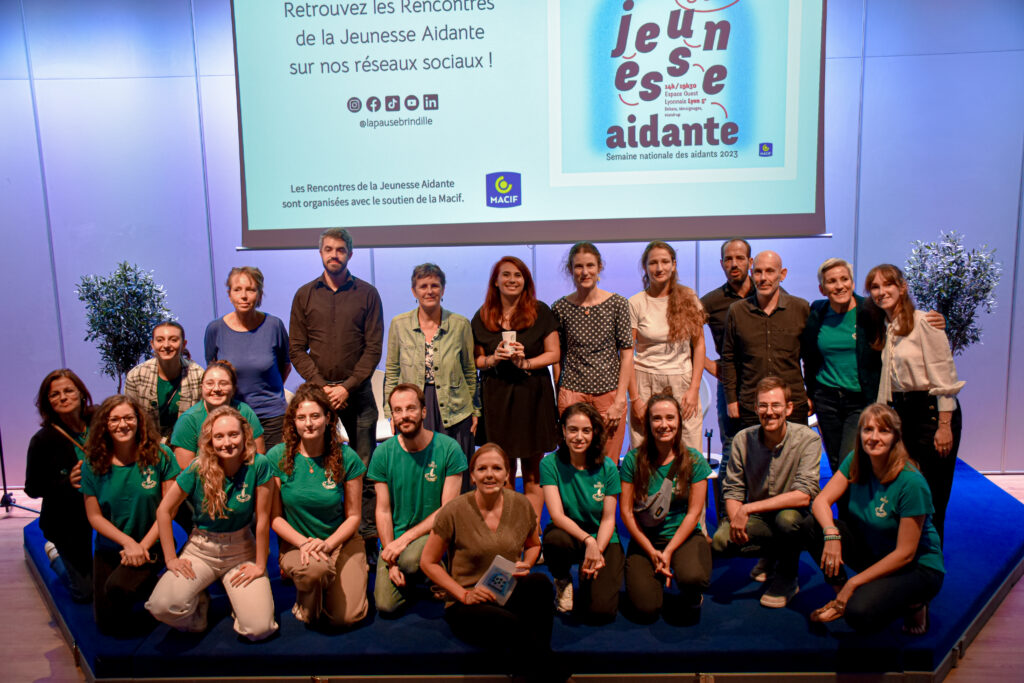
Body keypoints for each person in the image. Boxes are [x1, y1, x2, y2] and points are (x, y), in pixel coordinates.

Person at [803, 259, 945, 488]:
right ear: (822, 288)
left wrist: (935, 320)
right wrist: (810, 392)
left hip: (860, 400)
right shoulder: (817, 311)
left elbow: (901, 315)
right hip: (826, 400)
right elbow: (809, 356)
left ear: (852, 282)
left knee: (852, 461)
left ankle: (858, 519)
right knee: (837, 460)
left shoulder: (870, 310)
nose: (839, 286)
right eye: (831, 281)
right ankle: (844, 521)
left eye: (844, 279)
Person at [804, 404, 944, 634]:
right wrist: (831, 533)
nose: (874, 437)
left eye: (883, 431)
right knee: (811, 525)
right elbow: (820, 502)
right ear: (859, 434)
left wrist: (854, 582)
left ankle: (915, 604)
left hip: (916, 568)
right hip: (876, 550)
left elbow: (905, 554)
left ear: (896, 437)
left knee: (859, 614)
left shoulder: (912, 483)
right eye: (868, 430)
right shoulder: (856, 460)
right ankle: (841, 599)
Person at [146, 406, 278, 641]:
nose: (227, 442)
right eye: (219, 436)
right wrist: (170, 559)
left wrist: (259, 565)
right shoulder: (198, 467)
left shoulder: (259, 464)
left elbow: (263, 519)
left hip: (241, 549)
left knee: (259, 629)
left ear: (245, 435)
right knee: (161, 607)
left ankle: (241, 605)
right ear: (210, 440)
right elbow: (164, 511)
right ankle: (199, 608)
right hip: (201, 549)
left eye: (233, 434)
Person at [290, 227, 384, 555]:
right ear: (320, 253)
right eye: (328, 249)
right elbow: (297, 349)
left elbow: (373, 348)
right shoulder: (304, 295)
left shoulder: (367, 294)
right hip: (317, 398)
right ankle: (323, 534)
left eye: (340, 250)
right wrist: (322, 388)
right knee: (317, 466)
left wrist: (346, 387)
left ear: (350, 254)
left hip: (356, 394)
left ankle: (366, 537)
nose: (334, 255)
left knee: (364, 468)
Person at [419, 443, 553, 660]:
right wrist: (463, 594)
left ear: (507, 474)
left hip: (506, 590)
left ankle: (535, 659)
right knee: (511, 625)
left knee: (541, 585)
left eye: (497, 469)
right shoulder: (453, 510)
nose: (489, 475)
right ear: (472, 476)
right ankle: (547, 665)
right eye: (482, 469)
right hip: (468, 600)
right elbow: (428, 562)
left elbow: (534, 545)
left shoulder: (521, 505)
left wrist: (527, 563)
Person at [866, 264, 964, 541]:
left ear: (902, 287)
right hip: (903, 415)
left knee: (934, 493)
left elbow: (945, 376)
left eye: (888, 285)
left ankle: (931, 562)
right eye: (875, 287)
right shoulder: (886, 327)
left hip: (932, 413)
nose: (881, 291)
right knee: (909, 490)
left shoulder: (925, 322)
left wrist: (944, 426)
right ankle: (909, 556)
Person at [712, 376, 821, 608]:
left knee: (787, 520)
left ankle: (787, 576)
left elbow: (804, 494)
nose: (769, 412)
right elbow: (732, 489)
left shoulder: (808, 439)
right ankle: (771, 554)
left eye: (776, 405)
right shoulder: (743, 439)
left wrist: (748, 508)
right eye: (763, 405)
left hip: (795, 515)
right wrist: (735, 520)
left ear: (789, 408)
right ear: (756, 408)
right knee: (721, 541)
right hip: (761, 517)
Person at [268, 383, 368, 627]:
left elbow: (354, 516)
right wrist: (304, 543)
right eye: (301, 417)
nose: (309, 423)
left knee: (347, 617)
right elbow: (275, 518)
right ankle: (310, 588)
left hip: (339, 540)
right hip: (297, 543)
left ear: (328, 418)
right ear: (293, 422)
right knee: (314, 573)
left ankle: (328, 580)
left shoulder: (347, 457)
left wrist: (328, 545)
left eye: (315, 416)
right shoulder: (277, 457)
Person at [80, 395, 180, 635]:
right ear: (104, 424)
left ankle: (161, 589)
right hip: (111, 546)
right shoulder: (92, 463)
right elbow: (94, 517)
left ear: (139, 421)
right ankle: (149, 588)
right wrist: (127, 543)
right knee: (108, 626)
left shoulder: (161, 455)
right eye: (114, 419)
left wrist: (142, 547)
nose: (122, 424)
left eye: (128, 418)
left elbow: (169, 510)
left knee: (118, 587)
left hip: (152, 543)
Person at [472, 256, 560, 523]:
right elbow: (477, 360)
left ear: (526, 281)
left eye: (518, 275)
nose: (512, 280)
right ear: (495, 281)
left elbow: (554, 353)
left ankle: (532, 534)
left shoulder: (540, 311)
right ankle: (510, 533)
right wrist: (493, 359)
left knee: (533, 472)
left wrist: (526, 362)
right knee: (503, 471)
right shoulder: (483, 315)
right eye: (506, 275)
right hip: (497, 399)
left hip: (532, 395)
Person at [368, 384, 467, 615]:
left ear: (423, 411)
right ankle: (423, 575)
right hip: (397, 541)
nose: (404, 416)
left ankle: (433, 567)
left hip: (436, 533)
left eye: (411, 408)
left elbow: (447, 510)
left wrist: (406, 541)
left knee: (411, 560)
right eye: (398, 410)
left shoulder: (449, 449)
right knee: (385, 606)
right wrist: (391, 559)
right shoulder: (382, 454)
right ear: (392, 415)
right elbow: (382, 511)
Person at [620, 392, 712, 622]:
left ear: (679, 421)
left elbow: (694, 513)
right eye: (657, 418)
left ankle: (689, 588)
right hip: (646, 541)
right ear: (648, 423)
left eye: (670, 418)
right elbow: (626, 512)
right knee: (646, 610)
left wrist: (669, 550)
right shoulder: (632, 460)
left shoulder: (694, 460)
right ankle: (656, 572)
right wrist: (651, 551)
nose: (664, 425)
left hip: (684, 537)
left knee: (693, 578)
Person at [383, 263, 478, 461]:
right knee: (420, 469)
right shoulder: (399, 324)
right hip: (413, 404)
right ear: (414, 291)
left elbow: (470, 370)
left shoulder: (460, 324)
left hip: (456, 408)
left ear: (442, 289)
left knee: (455, 468)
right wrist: (391, 412)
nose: (429, 291)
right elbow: (392, 371)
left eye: (434, 286)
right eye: (423, 286)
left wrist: (475, 411)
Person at [540, 403, 624, 622]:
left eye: (586, 430)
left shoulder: (608, 467)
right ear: (563, 432)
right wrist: (589, 541)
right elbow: (557, 516)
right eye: (573, 430)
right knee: (554, 540)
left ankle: (590, 571)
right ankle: (562, 579)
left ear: (594, 433)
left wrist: (598, 550)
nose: (579, 437)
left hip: (603, 538)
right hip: (568, 534)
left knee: (601, 612)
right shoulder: (550, 463)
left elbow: (608, 519)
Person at [552, 242, 633, 462]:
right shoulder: (560, 307)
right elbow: (557, 354)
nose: (584, 272)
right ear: (570, 270)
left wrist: (620, 400)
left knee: (607, 461)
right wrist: (559, 389)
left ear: (599, 268)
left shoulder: (617, 304)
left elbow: (627, 355)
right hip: (572, 392)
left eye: (590, 265)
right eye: (579, 266)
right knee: (574, 461)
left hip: (609, 394)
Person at [25, 369, 96, 602]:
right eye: (54, 394)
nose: (63, 397)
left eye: (68, 391)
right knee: (86, 593)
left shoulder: (98, 421)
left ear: (81, 393)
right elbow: (33, 489)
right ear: (47, 402)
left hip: (107, 509)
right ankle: (56, 556)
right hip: (67, 520)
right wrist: (68, 483)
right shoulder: (42, 440)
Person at [628, 240, 707, 452]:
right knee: (644, 449)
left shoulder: (688, 297)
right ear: (645, 267)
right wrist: (635, 399)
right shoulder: (636, 302)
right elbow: (626, 353)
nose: (659, 268)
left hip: (682, 380)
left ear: (673, 264)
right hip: (644, 380)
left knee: (689, 447)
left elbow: (699, 346)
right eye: (653, 263)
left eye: (665, 262)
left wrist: (694, 389)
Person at [721, 250, 811, 428]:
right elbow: (729, 358)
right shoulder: (737, 311)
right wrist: (731, 400)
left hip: (793, 403)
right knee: (753, 455)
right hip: (751, 404)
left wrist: (812, 395)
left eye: (770, 271)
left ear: (782, 274)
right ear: (751, 274)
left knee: (795, 455)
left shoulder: (801, 308)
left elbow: (811, 358)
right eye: (758, 272)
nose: (763, 278)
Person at [205, 266, 290, 449]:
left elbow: (285, 365)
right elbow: (214, 373)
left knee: (272, 473)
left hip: (272, 417)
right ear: (230, 295)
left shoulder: (274, 325)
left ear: (259, 294)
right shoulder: (215, 329)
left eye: (250, 290)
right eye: (237, 290)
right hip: (231, 417)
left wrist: (267, 392)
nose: (244, 296)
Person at [700, 239, 753, 519]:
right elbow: (688, 335)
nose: (734, 263)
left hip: (765, 387)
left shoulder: (767, 292)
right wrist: (711, 366)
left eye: (740, 258)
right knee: (731, 450)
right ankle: (726, 520)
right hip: (730, 386)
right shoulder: (711, 301)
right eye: (728, 259)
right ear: (722, 264)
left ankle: (757, 517)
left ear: (750, 262)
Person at [170, 360, 265, 469]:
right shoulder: (188, 420)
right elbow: (186, 471)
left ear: (233, 389)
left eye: (223, 383)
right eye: (209, 383)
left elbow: (259, 457)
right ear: (201, 387)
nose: (216, 389)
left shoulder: (245, 412)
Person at [125, 321, 205, 439]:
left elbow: (202, 419)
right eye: (160, 340)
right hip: (147, 443)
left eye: (173, 340)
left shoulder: (198, 375)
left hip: (187, 442)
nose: (166, 345)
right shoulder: (136, 376)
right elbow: (130, 417)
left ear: (184, 344)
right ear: (152, 344)